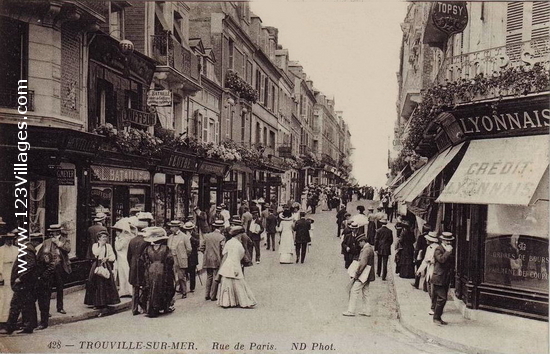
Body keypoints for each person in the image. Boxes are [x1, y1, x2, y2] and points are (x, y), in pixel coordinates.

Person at [0, 233, 42, 335]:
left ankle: (10, 328)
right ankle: (29, 326)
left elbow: (31, 265)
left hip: (23, 284)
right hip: (27, 283)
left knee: (15, 304)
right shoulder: (28, 248)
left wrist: (20, 278)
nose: (15, 241)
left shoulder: (26, 249)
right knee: (28, 304)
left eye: (17, 239)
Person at [217, 226, 257, 309]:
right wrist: (236, 269)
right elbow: (236, 257)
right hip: (235, 265)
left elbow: (224, 253)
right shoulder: (238, 244)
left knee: (227, 284)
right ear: (239, 235)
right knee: (239, 285)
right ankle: (244, 302)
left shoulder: (229, 242)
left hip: (227, 265)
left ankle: (226, 302)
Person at [140, 227, 175, 317]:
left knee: (151, 289)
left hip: (151, 270)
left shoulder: (148, 249)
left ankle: (152, 308)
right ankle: (164, 306)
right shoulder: (165, 248)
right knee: (163, 288)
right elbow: (170, 260)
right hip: (162, 270)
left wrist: (148, 268)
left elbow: (144, 260)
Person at [84, 230, 120, 316]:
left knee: (106, 283)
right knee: (95, 283)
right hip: (97, 265)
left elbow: (113, 257)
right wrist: (100, 246)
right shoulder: (95, 245)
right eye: (103, 237)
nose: (105, 239)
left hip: (105, 265)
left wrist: (107, 258)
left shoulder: (108, 246)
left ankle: (106, 302)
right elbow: (95, 253)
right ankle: (96, 303)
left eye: (106, 237)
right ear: (99, 238)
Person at [41, 225, 71, 315]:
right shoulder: (46, 241)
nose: (52, 233)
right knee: (48, 289)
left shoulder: (65, 240)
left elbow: (68, 249)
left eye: (54, 232)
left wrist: (58, 243)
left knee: (60, 288)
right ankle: (47, 310)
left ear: (58, 232)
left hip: (60, 267)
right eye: (51, 232)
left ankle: (60, 307)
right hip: (49, 267)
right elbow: (43, 253)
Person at [342, 234, 375, 317]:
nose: (359, 245)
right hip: (368, 274)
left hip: (363, 274)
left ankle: (351, 310)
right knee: (365, 292)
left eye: (360, 243)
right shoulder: (369, 248)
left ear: (363, 241)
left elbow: (362, 264)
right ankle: (367, 310)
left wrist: (357, 274)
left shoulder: (366, 250)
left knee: (354, 291)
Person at [432, 232, 455, 325]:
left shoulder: (448, 249)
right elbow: (441, 260)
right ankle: (436, 318)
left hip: (445, 277)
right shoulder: (438, 249)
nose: (449, 243)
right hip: (438, 277)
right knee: (442, 298)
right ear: (442, 240)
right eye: (447, 241)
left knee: (442, 299)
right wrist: (448, 252)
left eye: (450, 241)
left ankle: (438, 317)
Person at [200, 220, 225, 301]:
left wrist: (207, 253)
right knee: (216, 277)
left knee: (209, 277)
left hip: (207, 259)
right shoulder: (221, 237)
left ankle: (207, 294)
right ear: (221, 227)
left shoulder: (207, 236)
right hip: (217, 260)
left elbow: (201, 248)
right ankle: (213, 296)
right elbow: (223, 250)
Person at [167, 221, 192, 299]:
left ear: (177, 227)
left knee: (181, 276)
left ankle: (184, 291)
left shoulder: (184, 237)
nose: (171, 229)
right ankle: (171, 293)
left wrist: (183, 255)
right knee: (171, 276)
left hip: (180, 258)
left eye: (172, 227)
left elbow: (189, 249)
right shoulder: (170, 237)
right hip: (171, 258)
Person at [113, 218, 136, 298]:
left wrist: (116, 240)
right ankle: (124, 290)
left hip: (123, 258)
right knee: (122, 274)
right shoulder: (127, 237)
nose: (116, 233)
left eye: (118, 232)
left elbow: (118, 247)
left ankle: (129, 290)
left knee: (125, 273)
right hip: (121, 258)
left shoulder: (123, 239)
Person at [127, 229, 148, 315]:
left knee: (135, 288)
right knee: (144, 287)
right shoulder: (146, 241)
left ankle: (134, 309)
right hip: (142, 266)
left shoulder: (132, 240)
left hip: (133, 266)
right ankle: (144, 307)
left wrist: (131, 265)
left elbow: (128, 256)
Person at [416, 231, 439, 309]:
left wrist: (432, 261)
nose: (426, 240)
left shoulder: (437, 248)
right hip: (429, 270)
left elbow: (439, 259)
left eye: (427, 239)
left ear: (430, 240)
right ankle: (434, 305)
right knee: (429, 288)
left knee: (433, 290)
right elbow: (425, 260)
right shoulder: (428, 248)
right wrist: (419, 270)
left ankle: (434, 307)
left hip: (435, 271)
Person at [0, 231, 19, 323]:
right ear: (5, 239)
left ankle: (12, 319)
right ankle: (3, 319)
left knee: (13, 296)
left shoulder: (16, 249)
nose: (10, 241)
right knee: (4, 296)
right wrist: (1, 276)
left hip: (14, 272)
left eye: (11, 239)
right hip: (5, 272)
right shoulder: (1, 250)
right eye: (8, 239)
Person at [413, 224, 432, 289]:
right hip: (428, 255)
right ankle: (426, 286)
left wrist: (415, 256)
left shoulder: (421, 237)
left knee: (419, 269)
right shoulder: (431, 237)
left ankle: (416, 283)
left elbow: (417, 248)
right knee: (428, 271)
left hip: (421, 254)